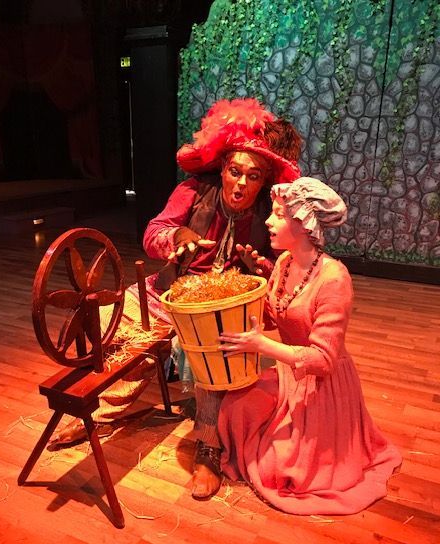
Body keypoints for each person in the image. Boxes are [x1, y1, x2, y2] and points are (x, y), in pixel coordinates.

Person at [50, 99, 302, 501]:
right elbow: (155, 231)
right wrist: (176, 238)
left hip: (223, 311)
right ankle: (102, 416)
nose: (240, 184)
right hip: (166, 293)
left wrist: (263, 268)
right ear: (222, 168)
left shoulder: (270, 212)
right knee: (116, 326)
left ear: (264, 181)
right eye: (235, 171)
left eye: (252, 177)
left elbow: (285, 265)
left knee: (213, 362)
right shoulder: (193, 190)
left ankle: (208, 447)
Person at [217, 177, 402, 514]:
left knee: (284, 467)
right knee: (235, 407)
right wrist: (255, 290)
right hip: (288, 372)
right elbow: (278, 319)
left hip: (322, 386)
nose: (268, 221)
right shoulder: (285, 265)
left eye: (277, 215)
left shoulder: (334, 279)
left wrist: (260, 346)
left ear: (302, 223)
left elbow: (322, 360)